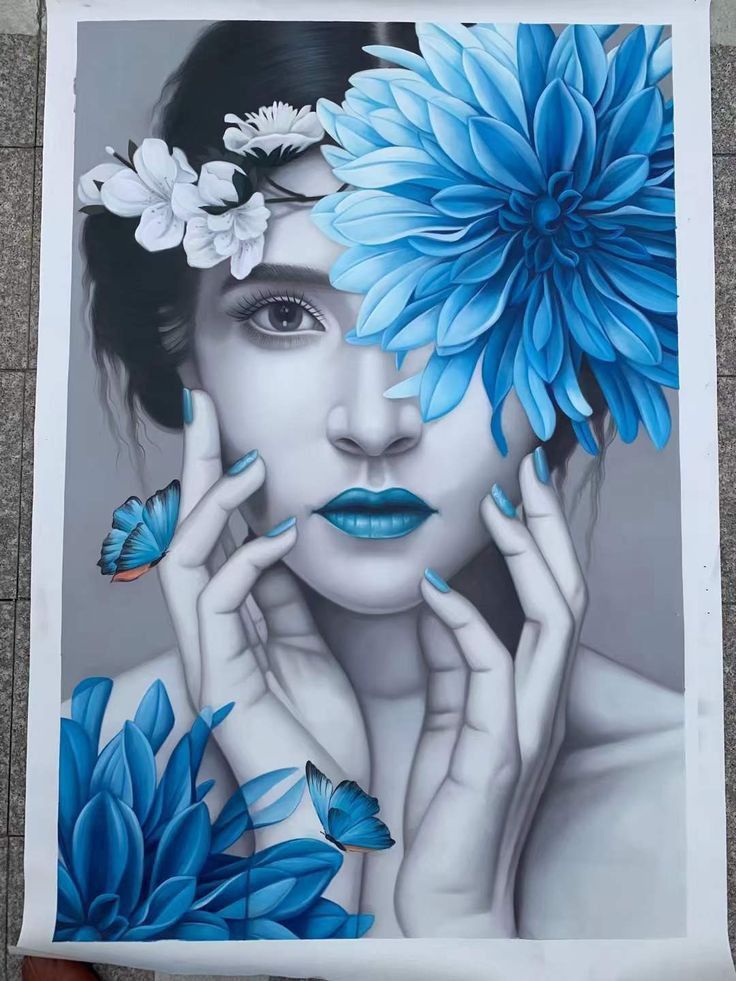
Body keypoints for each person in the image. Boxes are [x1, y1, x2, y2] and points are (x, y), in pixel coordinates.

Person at [75, 20, 684, 939]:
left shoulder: (695, 797)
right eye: (283, 313)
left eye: (459, 309)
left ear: (579, 347)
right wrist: (305, 866)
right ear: (181, 347)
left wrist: (463, 920)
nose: (372, 420)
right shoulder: (79, 782)